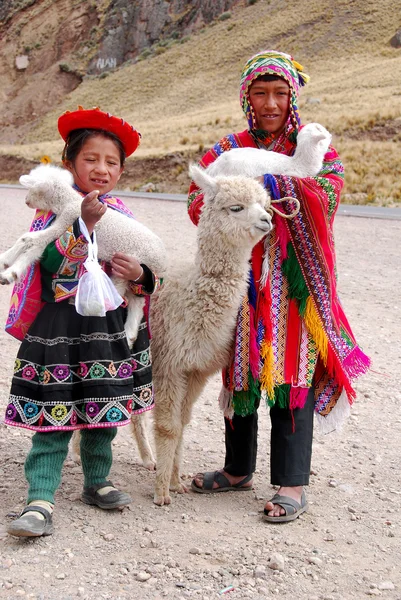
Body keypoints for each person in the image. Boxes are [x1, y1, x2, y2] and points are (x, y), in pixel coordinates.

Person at [187, 51, 370, 522]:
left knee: (291, 372)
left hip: (293, 283)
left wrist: (259, 181)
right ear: (247, 98)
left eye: (280, 93)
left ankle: (292, 482)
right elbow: (197, 201)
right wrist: (245, 190)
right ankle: (236, 469)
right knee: (239, 370)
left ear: (293, 97)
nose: (271, 103)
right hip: (238, 279)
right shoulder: (227, 146)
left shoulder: (318, 151)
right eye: (260, 93)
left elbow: (325, 194)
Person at [5, 106, 159, 537]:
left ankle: (97, 481)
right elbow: (49, 260)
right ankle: (39, 498)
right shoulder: (57, 211)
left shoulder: (123, 216)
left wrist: (140, 275)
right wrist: (83, 227)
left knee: (104, 411)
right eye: (90, 159)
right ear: (69, 163)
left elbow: (149, 274)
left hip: (107, 330)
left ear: (122, 171)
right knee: (54, 415)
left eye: (112, 162)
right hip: (60, 328)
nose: (101, 169)